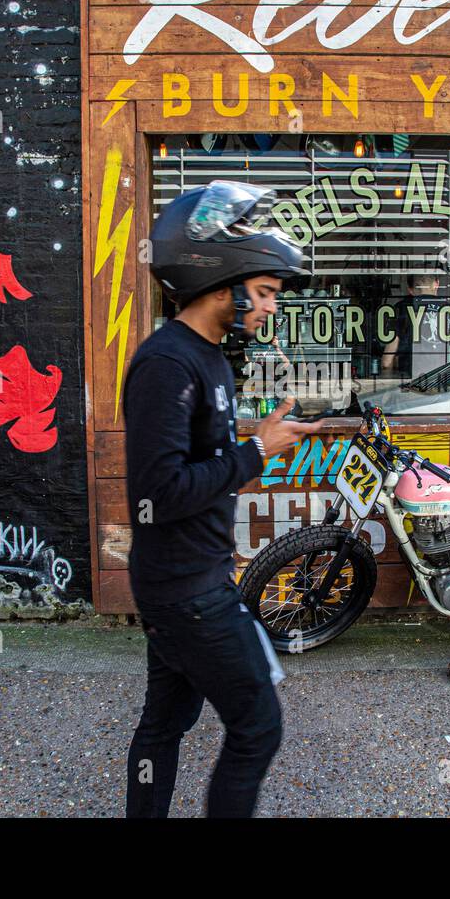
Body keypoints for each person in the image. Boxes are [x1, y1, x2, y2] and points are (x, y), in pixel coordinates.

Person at [123, 181, 322, 818]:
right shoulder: (167, 365)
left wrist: (254, 446)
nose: (267, 306)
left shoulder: (207, 358)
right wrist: (255, 453)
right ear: (221, 282)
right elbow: (162, 490)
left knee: (165, 724)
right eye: (262, 292)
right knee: (258, 724)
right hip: (188, 592)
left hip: (189, 579)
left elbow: (195, 463)